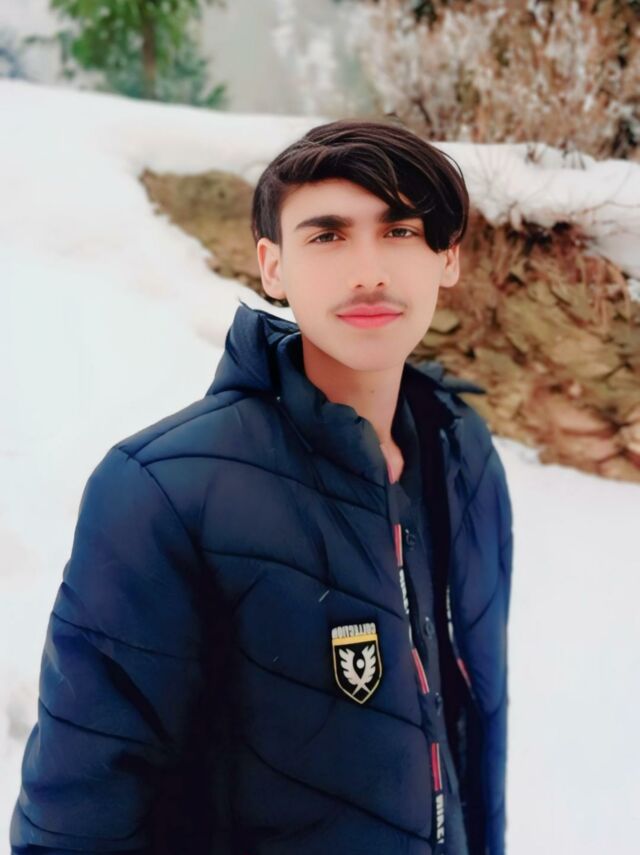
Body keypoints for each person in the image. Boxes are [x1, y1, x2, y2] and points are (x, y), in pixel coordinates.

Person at [10, 118, 514, 855]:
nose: (368, 269)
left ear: (448, 258)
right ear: (272, 266)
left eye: (400, 231)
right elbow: (77, 819)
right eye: (328, 235)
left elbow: (472, 730)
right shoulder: (164, 490)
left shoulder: (461, 451)